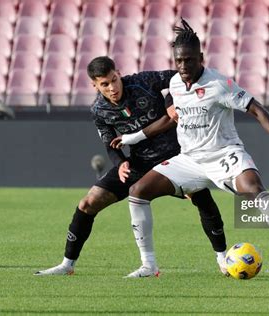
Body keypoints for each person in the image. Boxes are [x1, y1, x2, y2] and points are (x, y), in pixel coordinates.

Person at [124, 19, 269, 278]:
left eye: (189, 60)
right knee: (138, 191)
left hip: (224, 154)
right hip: (190, 159)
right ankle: (149, 265)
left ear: (201, 57)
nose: (183, 66)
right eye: (179, 61)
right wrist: (132, 138)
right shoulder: (176, 84)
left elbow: (256, 109)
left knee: (254, 188)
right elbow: (171, 115)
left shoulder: (219, 84)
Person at [34, 56, 227, 276]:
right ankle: (67, 265)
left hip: (174, 157)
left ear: (119, 72)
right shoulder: (99, 110)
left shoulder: (143, 82)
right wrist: (120, 162)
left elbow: (178, 77)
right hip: (139, 162)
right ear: (94, 85)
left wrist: (170, 103)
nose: (112, 87)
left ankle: (222, 259)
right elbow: (110, 143)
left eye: (114, 79)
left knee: (201, 198)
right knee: (88, 202)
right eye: (104, 84)